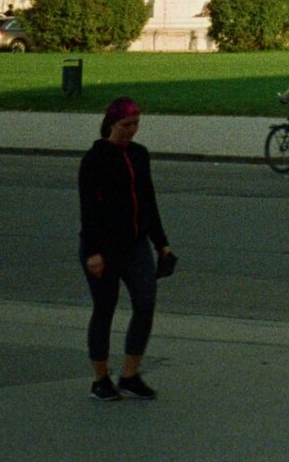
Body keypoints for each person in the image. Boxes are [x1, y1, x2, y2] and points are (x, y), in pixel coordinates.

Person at [78, 97, 172, 402]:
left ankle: (130, 374)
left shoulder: (139, 155)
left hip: (136, 246)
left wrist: (162, 244)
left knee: (145, 306)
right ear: (111, 124)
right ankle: (100, 379)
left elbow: (148, 201)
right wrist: (93, 252)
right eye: (125, 125)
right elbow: (89, 208)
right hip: (104, 248)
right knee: (105, 309)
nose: (132, 131)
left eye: (136, 125)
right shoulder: (95, 159)